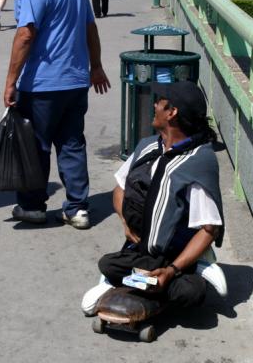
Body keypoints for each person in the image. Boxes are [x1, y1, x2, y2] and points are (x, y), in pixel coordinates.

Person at [81, 81, 227, 316]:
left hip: (174, 257)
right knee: (108, 264)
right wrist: (125, 223)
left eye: (159, 101)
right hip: (139, 250)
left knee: (190, 293)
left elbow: (208, 229)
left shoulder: (198, 162)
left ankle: (188, 268)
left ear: (172, 112)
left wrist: (172, 269)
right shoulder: (148, 146)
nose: (154, 105)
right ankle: (146, 283)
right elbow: (119, 189)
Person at [3, 0, 110, 229]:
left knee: (36, 147)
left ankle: (32, 207)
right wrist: (95, 67)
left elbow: (26, 34)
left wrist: (10, 81)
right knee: (72, 143)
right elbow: (90, 28)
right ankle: (77, 209)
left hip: (42, 83)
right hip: (75, 81)